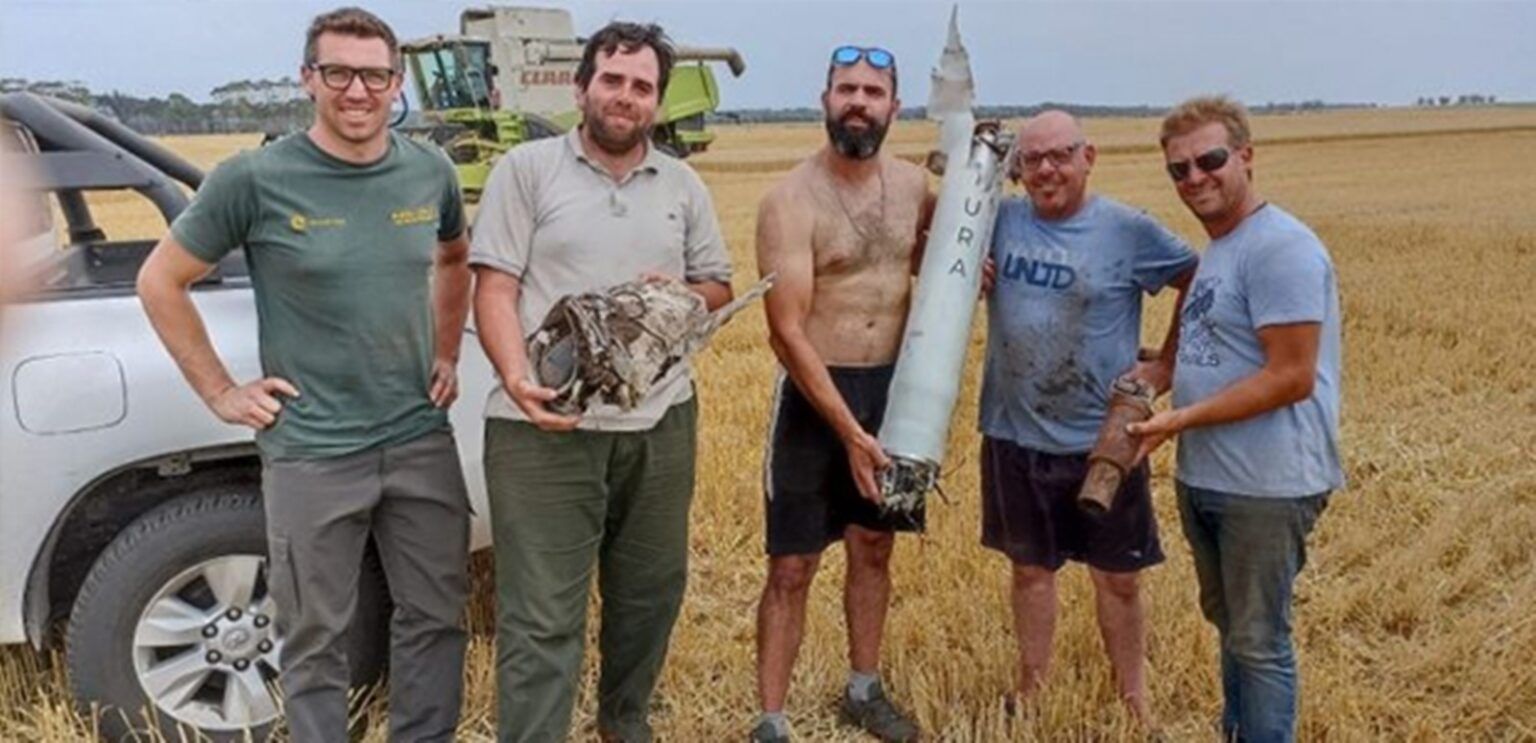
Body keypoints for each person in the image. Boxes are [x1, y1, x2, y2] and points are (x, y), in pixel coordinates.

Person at [135, 7, 473, 742]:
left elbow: (454, 258)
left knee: (436, 617)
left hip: (419, 436)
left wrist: (447, 351)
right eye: (340, 73)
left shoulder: (429, 170)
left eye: (375, 75)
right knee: (315, 635)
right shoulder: (254, 179)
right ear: (308, 78)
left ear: (396, 83)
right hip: (313, 450)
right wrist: (221, 390)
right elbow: (161, 281)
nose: (359, 91)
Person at [468, 21, 733, 743]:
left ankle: (624, 722)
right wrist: (517, 377)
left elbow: (717, 286)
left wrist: (677, 291)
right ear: (582, 87)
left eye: (642, 86)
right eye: (612, 81)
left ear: (656, 101)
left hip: (660, 422)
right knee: (541, 614)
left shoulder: (682, 184)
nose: (626, 97)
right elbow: (494, 287)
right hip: (543, 425)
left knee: (649, 596)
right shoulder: (525, 170)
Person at [1130, 95, 1343, 743]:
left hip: (1267, 484)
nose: (1195, 178)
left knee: (1259, 639)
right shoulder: (1222, 247)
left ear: (1246, 156)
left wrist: (1179, 419)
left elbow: (1291, 374)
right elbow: (1205, 329)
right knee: (1232, 626)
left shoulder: (1280, 248)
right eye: (1179, 170)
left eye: (1210, 160)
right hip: (1214, 478)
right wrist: (1156, 368)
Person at [980, 110, 1197, 723]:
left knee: (1119, 580)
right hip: (1013, 431)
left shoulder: (1128, 230)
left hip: (1104, 439)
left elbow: (1198, 279)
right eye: (1033, 158)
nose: (1046, 169)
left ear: (1088, 157)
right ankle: (1031, 690)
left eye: (1060, 155)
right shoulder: (998, 221)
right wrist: (967, 269)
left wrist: (1168, 364)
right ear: (1017, 168)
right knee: (1030, 572)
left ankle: (1135, 702)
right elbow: (934, 243)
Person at [750, 45, 933, 743]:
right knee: (792, 564)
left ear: (895, 105)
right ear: (824, 98)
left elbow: (941, 259)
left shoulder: (917, 188)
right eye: (846, 89)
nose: (859, 101)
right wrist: (850, 432)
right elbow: (785, 331)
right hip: (812, 392)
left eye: (873, 91)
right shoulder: (789, 201)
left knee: (874, 546)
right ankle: (770, 719)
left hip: (893, 391)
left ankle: (863, 688)